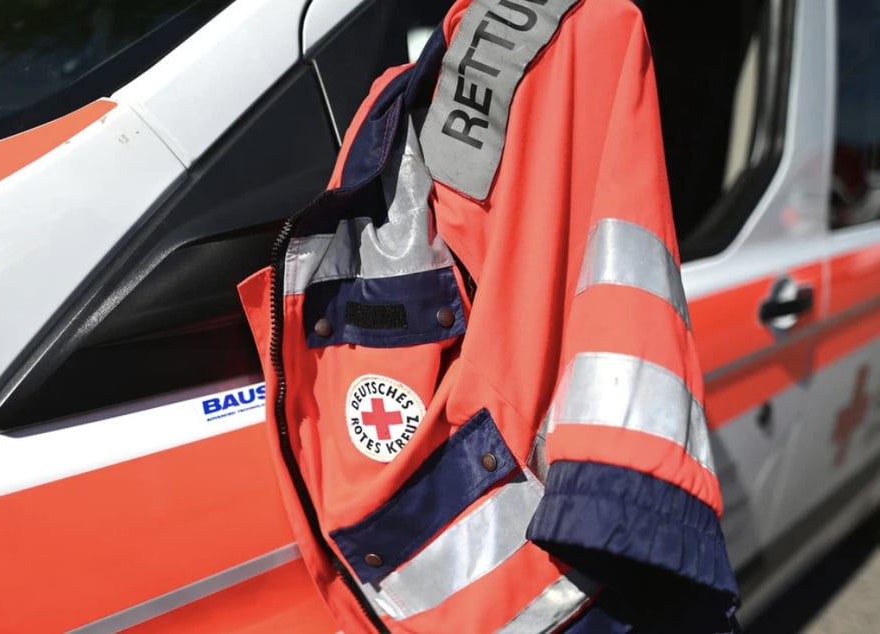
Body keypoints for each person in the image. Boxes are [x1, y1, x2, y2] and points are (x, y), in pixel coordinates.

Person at [238, 0, 739, 631]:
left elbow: (595, 275)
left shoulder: (572, 36)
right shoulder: (536, 46)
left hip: (522, 566)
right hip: (534, 553)